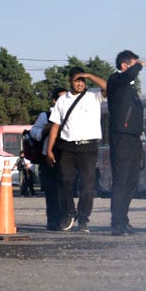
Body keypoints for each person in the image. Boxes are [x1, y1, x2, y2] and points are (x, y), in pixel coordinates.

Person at [46, 67, 107, 232]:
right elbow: (55, 126)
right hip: (68, 146)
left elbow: (108, 87)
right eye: (76, 80)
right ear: (70, 81)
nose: (80, 83)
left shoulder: (93, 97)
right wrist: (49, 149)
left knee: (87, 185)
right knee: (65, 180)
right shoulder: (62, 100)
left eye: (82, 80)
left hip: (89, 147)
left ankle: (83, 219)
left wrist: (89, 74)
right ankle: (68, 214)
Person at [106, 49, 146, 236]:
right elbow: (129, 74)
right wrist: (138, 65)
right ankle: (117, 223)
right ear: (124, 65)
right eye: (133, 64)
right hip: (121, 135)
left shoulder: (130, 87)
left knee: (132, 181)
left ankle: (124, 218)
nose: (136, 69)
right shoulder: (116, 80)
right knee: (121, 181)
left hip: (134, 137)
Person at [30, 88, 67, 228]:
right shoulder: (45, 115)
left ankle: (66, 218)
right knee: (51, 191)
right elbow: (34, 132)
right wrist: (45, 129)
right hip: (49, 157)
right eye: (61, 98)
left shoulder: (73, 114)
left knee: (66, 189)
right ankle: (53, 220)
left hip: (68, 156)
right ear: (54, 101)